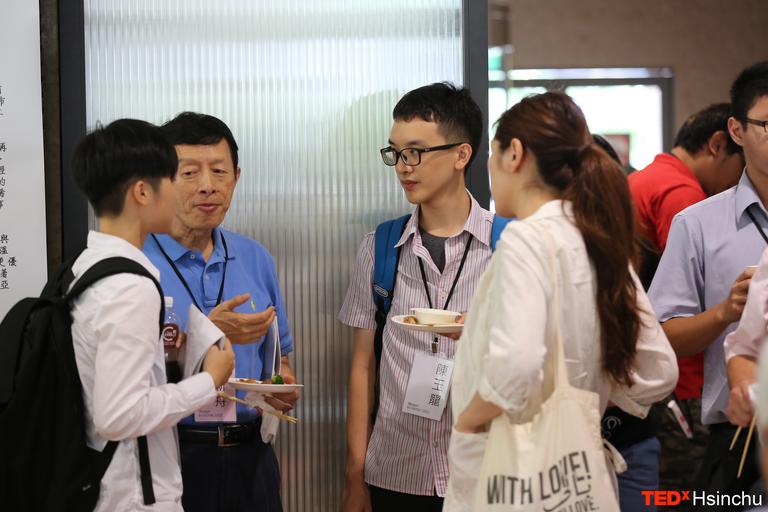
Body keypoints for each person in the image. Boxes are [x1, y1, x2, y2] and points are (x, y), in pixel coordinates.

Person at [444, 91, 678, 511]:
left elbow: (516, 366)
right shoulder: (595, 239)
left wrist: (468, 420)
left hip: (516, 472)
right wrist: (591, 391)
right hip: (575, 471)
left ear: (515, 154)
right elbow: (658, 370)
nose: (491, 170)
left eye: (493, 155)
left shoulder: (526, 238)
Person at [338, 82, 493, 511]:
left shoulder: (506, 248)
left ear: (461, 155)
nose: (404, 167)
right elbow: (363, 365)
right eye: (397, 153)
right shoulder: (380, 247)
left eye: (417, 152)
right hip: (395, 472)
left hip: (485, 474)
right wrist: (354, 475)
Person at [69, 118, 235, 511]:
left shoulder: (88, 267)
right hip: (130, 495)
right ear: (143, 192)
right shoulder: (131, 287)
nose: (183, 189)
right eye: (173, 177)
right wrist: (210, 379)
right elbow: (118, 415)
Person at [143, 112, 298, 512]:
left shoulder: (255, 257)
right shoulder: (137, 263)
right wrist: (207, 333)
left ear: (236, 177)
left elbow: (280, 359)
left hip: (252, 456)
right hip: (169, 456)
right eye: (189, 173)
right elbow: (119, 385)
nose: (207, 186)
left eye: (219, 171)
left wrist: (281, 386)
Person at [649, 61, 768, 506]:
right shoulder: (697, 223)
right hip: (736, 436)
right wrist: (725, 313)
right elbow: (661, 336)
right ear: (736, 130)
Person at [627, 103, 744, 500]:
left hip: (645, 371)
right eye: (740, 165)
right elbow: (679, 306)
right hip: (679, 381)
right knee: (690, 495)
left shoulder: (649, 177)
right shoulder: (683, 196)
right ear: (718, 144)